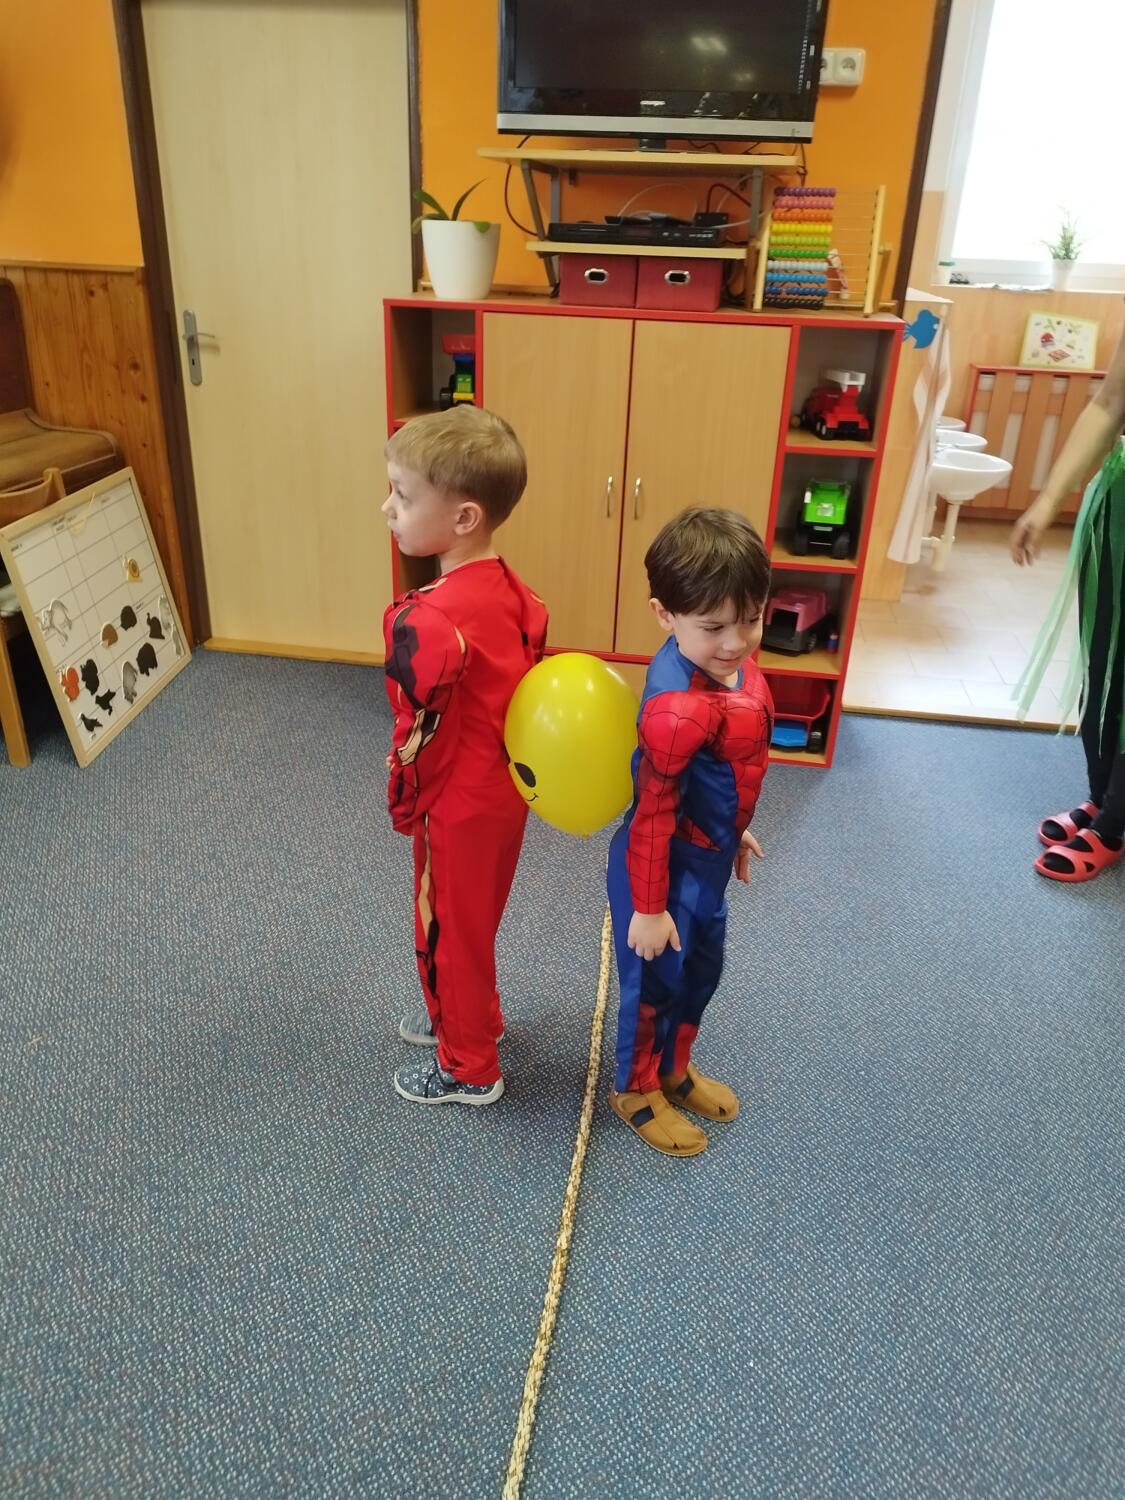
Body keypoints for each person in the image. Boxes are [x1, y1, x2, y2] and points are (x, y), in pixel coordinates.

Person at [381, 406, 547, 1102]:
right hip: (505, 793)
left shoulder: (429, 617)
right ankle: (472, 1020)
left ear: (463, 518)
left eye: (403, 495)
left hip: (456, 800)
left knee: (446, 927)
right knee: (473, 923)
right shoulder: (515, 592)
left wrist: (403, 801)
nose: (387, 508)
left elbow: (417, 735)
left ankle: (468, 1067)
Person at [606, 508, 773, 1156]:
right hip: (661, 869)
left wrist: (734, 831)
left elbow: (727, 771)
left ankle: (673, 1070)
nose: (734, 642)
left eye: (749, 620)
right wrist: (648, 909)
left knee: (702, 970)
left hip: (708, 857)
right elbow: (652, 813)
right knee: (653, 985)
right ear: (664, 615)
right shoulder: (675, 708)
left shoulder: (733, 668)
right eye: (712, 627)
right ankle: (635, 1089)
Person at [1011, 325, 1125, 883]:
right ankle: (1103, 800)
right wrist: (1049, 499)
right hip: (1119, 505)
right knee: (1104, 662)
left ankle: (1114, 826)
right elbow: (1110, 403)